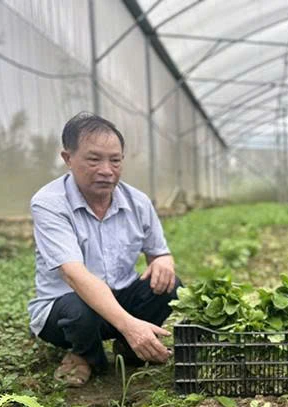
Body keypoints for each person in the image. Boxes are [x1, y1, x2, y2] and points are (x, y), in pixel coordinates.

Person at [28, 112, 179, 387]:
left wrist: (163, 262)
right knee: (78, 307)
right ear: (68, 158)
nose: (107, 170)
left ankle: (128, 347)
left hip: (117, 301)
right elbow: (74, 275)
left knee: (167, 284)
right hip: (65, 311)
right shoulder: (49, 203)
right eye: (94, 159)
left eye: (116, 160)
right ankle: (86, 355)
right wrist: (131, 325)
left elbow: (160, 252)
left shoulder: (138, 201)